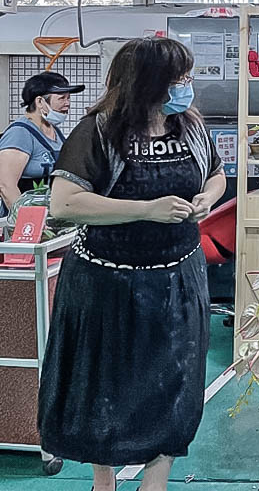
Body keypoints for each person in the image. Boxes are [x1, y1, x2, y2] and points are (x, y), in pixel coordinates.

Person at [38, 38, 226, 491]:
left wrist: (207, 198)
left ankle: (155, 480)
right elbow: (65, 203)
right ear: (148, 83)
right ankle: (104, 480)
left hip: (178, 279)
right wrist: (145, 209)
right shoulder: (98, 131)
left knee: (174, 381)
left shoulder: (191, 126)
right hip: (106, 283)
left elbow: (216, 173)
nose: (186, 86)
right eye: (178, 79)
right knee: (107, 383)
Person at [0, 72, 84, 214]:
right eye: (62, 98)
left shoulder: (54, 131)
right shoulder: (20, 134)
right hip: (26, 222)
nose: (67, 103)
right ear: (40, 102)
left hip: (49, 215)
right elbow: (6, 186)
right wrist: (28, 222)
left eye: (69, 98)